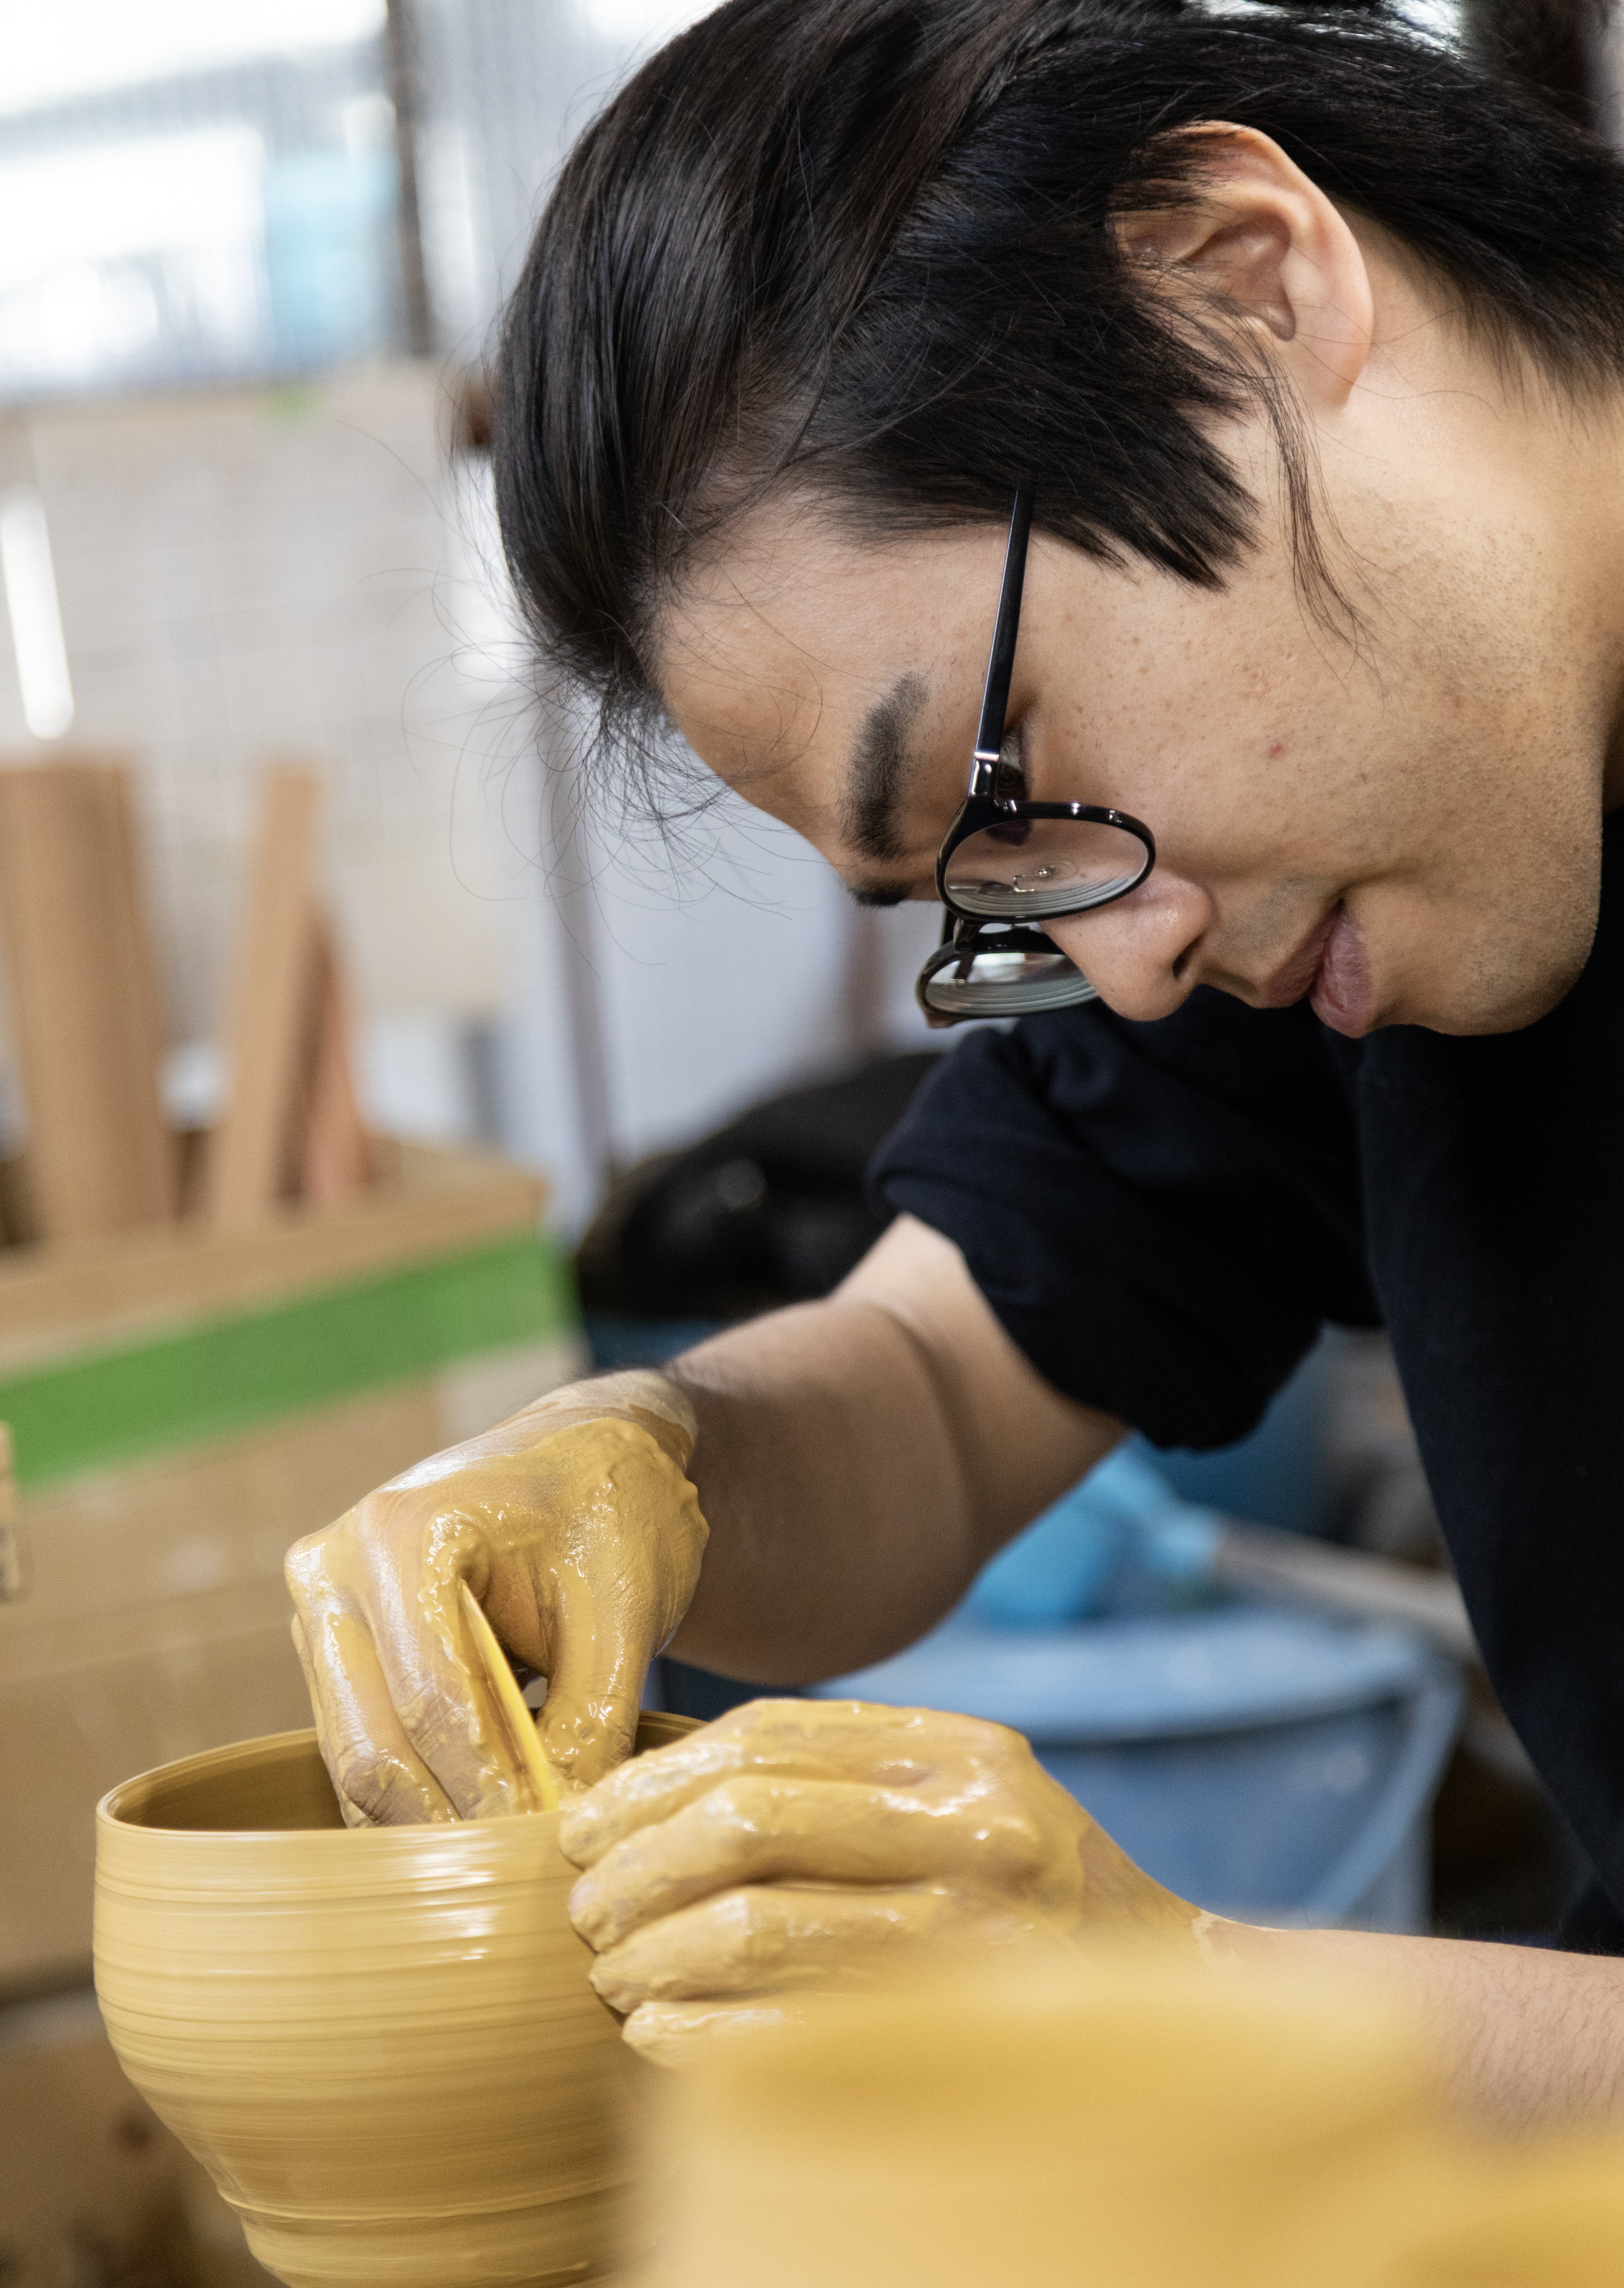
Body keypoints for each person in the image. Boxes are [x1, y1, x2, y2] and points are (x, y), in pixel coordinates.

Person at [289, 0, 1624, 2118]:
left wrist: (1173, 1993)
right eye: (988, 891)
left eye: (1010, 779)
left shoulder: (1337, 812)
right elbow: (921, 1389)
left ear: (1240, 281)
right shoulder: (1306, 866)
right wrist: (645, 1463)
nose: (1132, 960)